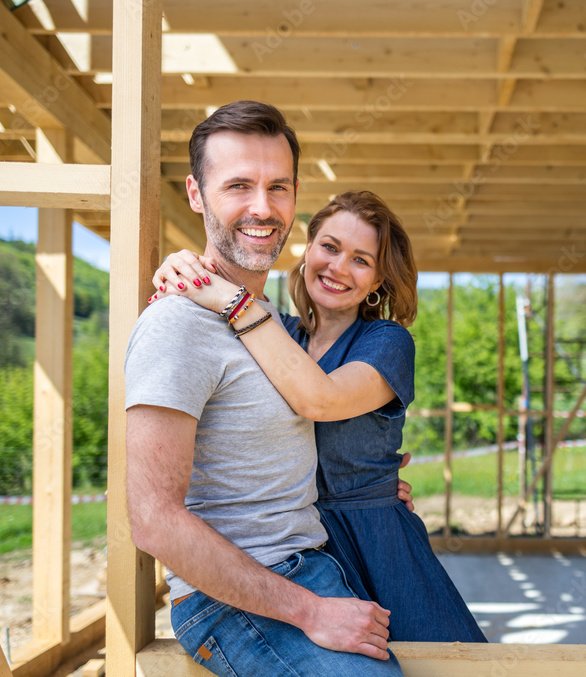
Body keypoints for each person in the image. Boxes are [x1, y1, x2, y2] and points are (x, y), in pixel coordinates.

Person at [124, 100, 404, 677]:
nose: (262, 207)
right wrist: (308, 611)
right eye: (238, 186)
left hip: (313, 569)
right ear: (196, 194)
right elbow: (153, 518)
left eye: (278, 187)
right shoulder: (177, 323)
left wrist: (375, 481)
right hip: (233, 603)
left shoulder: (270, 321)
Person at [149, 190, 487, 644]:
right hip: (291, 546)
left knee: (431, 660)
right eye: (329, 247)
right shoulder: (275, 331)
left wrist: (231, 299)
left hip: (373, 538)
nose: (338, 267)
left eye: (361, 260)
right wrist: (182, 266)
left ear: (378, 281)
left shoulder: (386, 342)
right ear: (307, 250)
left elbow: (321, 401)